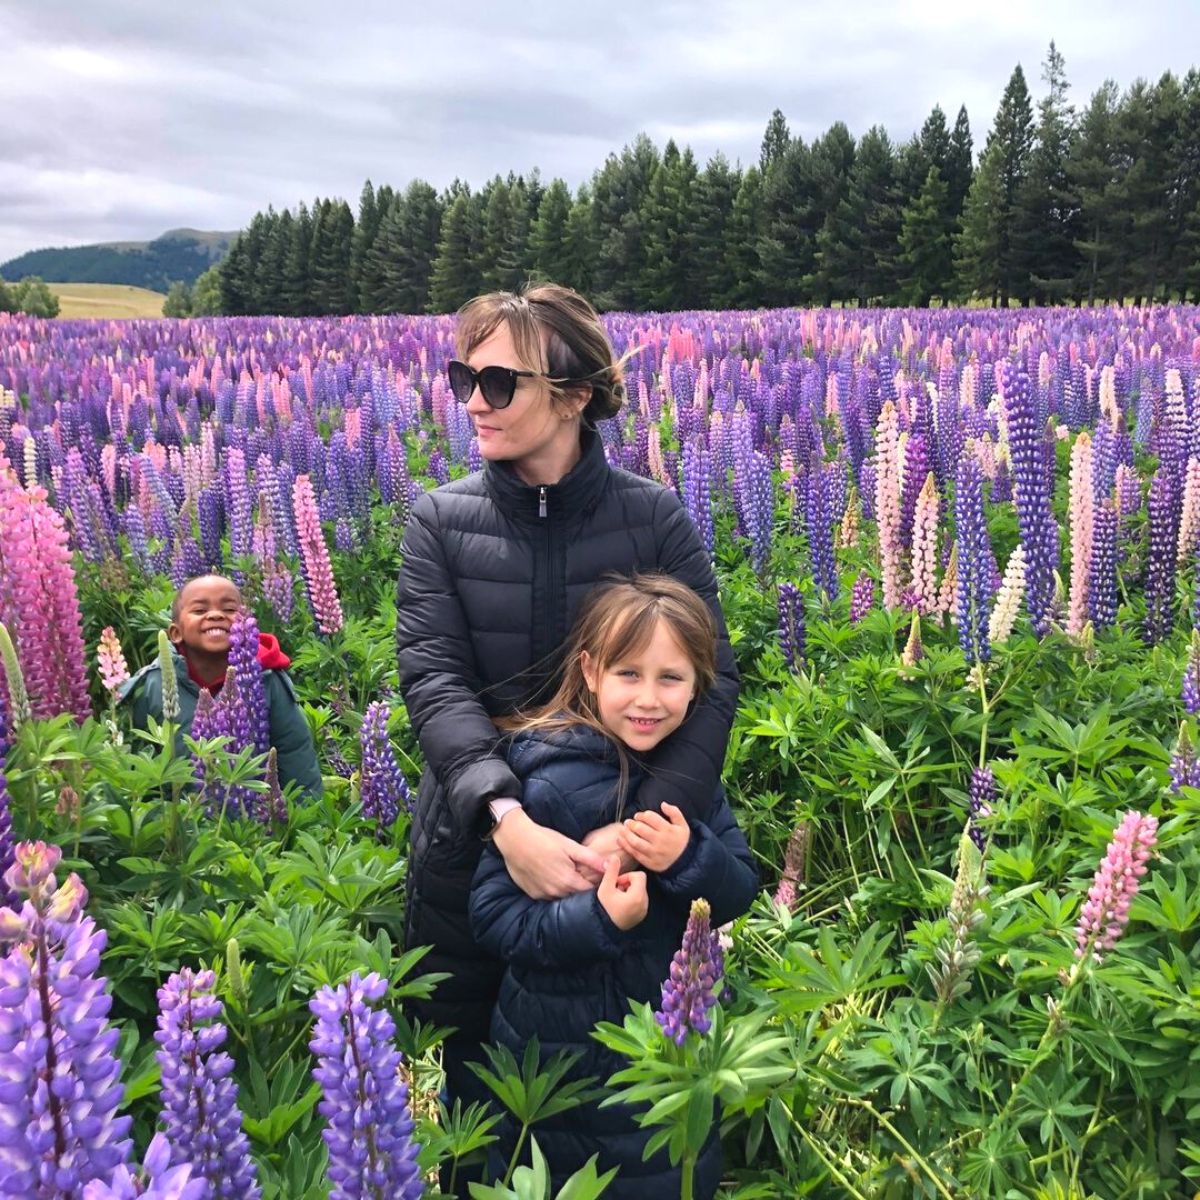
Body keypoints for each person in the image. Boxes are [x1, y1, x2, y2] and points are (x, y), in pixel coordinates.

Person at [395, 284, 740, 1135]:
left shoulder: (651, 515)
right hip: (478, 849)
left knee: (640, 1097)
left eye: (500, 382)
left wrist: (634, 829)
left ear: (574, 395)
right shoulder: (440, 521)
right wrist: (507, 823)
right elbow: (435, 683)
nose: (475, 400)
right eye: (462, 377)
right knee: (493, 1106)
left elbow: (713, 679)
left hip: (638, 851)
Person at [469, 575, 757, 1198]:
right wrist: (597, 921)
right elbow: (493, 917)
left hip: (668, 1046)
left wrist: (689, 856)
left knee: (663, 1175)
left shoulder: (693, 780)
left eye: (671, 678)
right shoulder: (540, 775)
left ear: (698, 686)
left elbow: (738, 888)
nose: (648, 698)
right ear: (590, 672)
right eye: (629, 674)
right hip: (552, 1063)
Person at [119, 573, 323, 797]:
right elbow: (137, 769)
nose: (215, 615)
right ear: (176, 633)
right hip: (182, 819)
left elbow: (294, 753)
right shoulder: (151, 685)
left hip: (254, 818)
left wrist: (306, 821)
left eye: (229, 609)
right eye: (199, 610)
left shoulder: (268, 680)